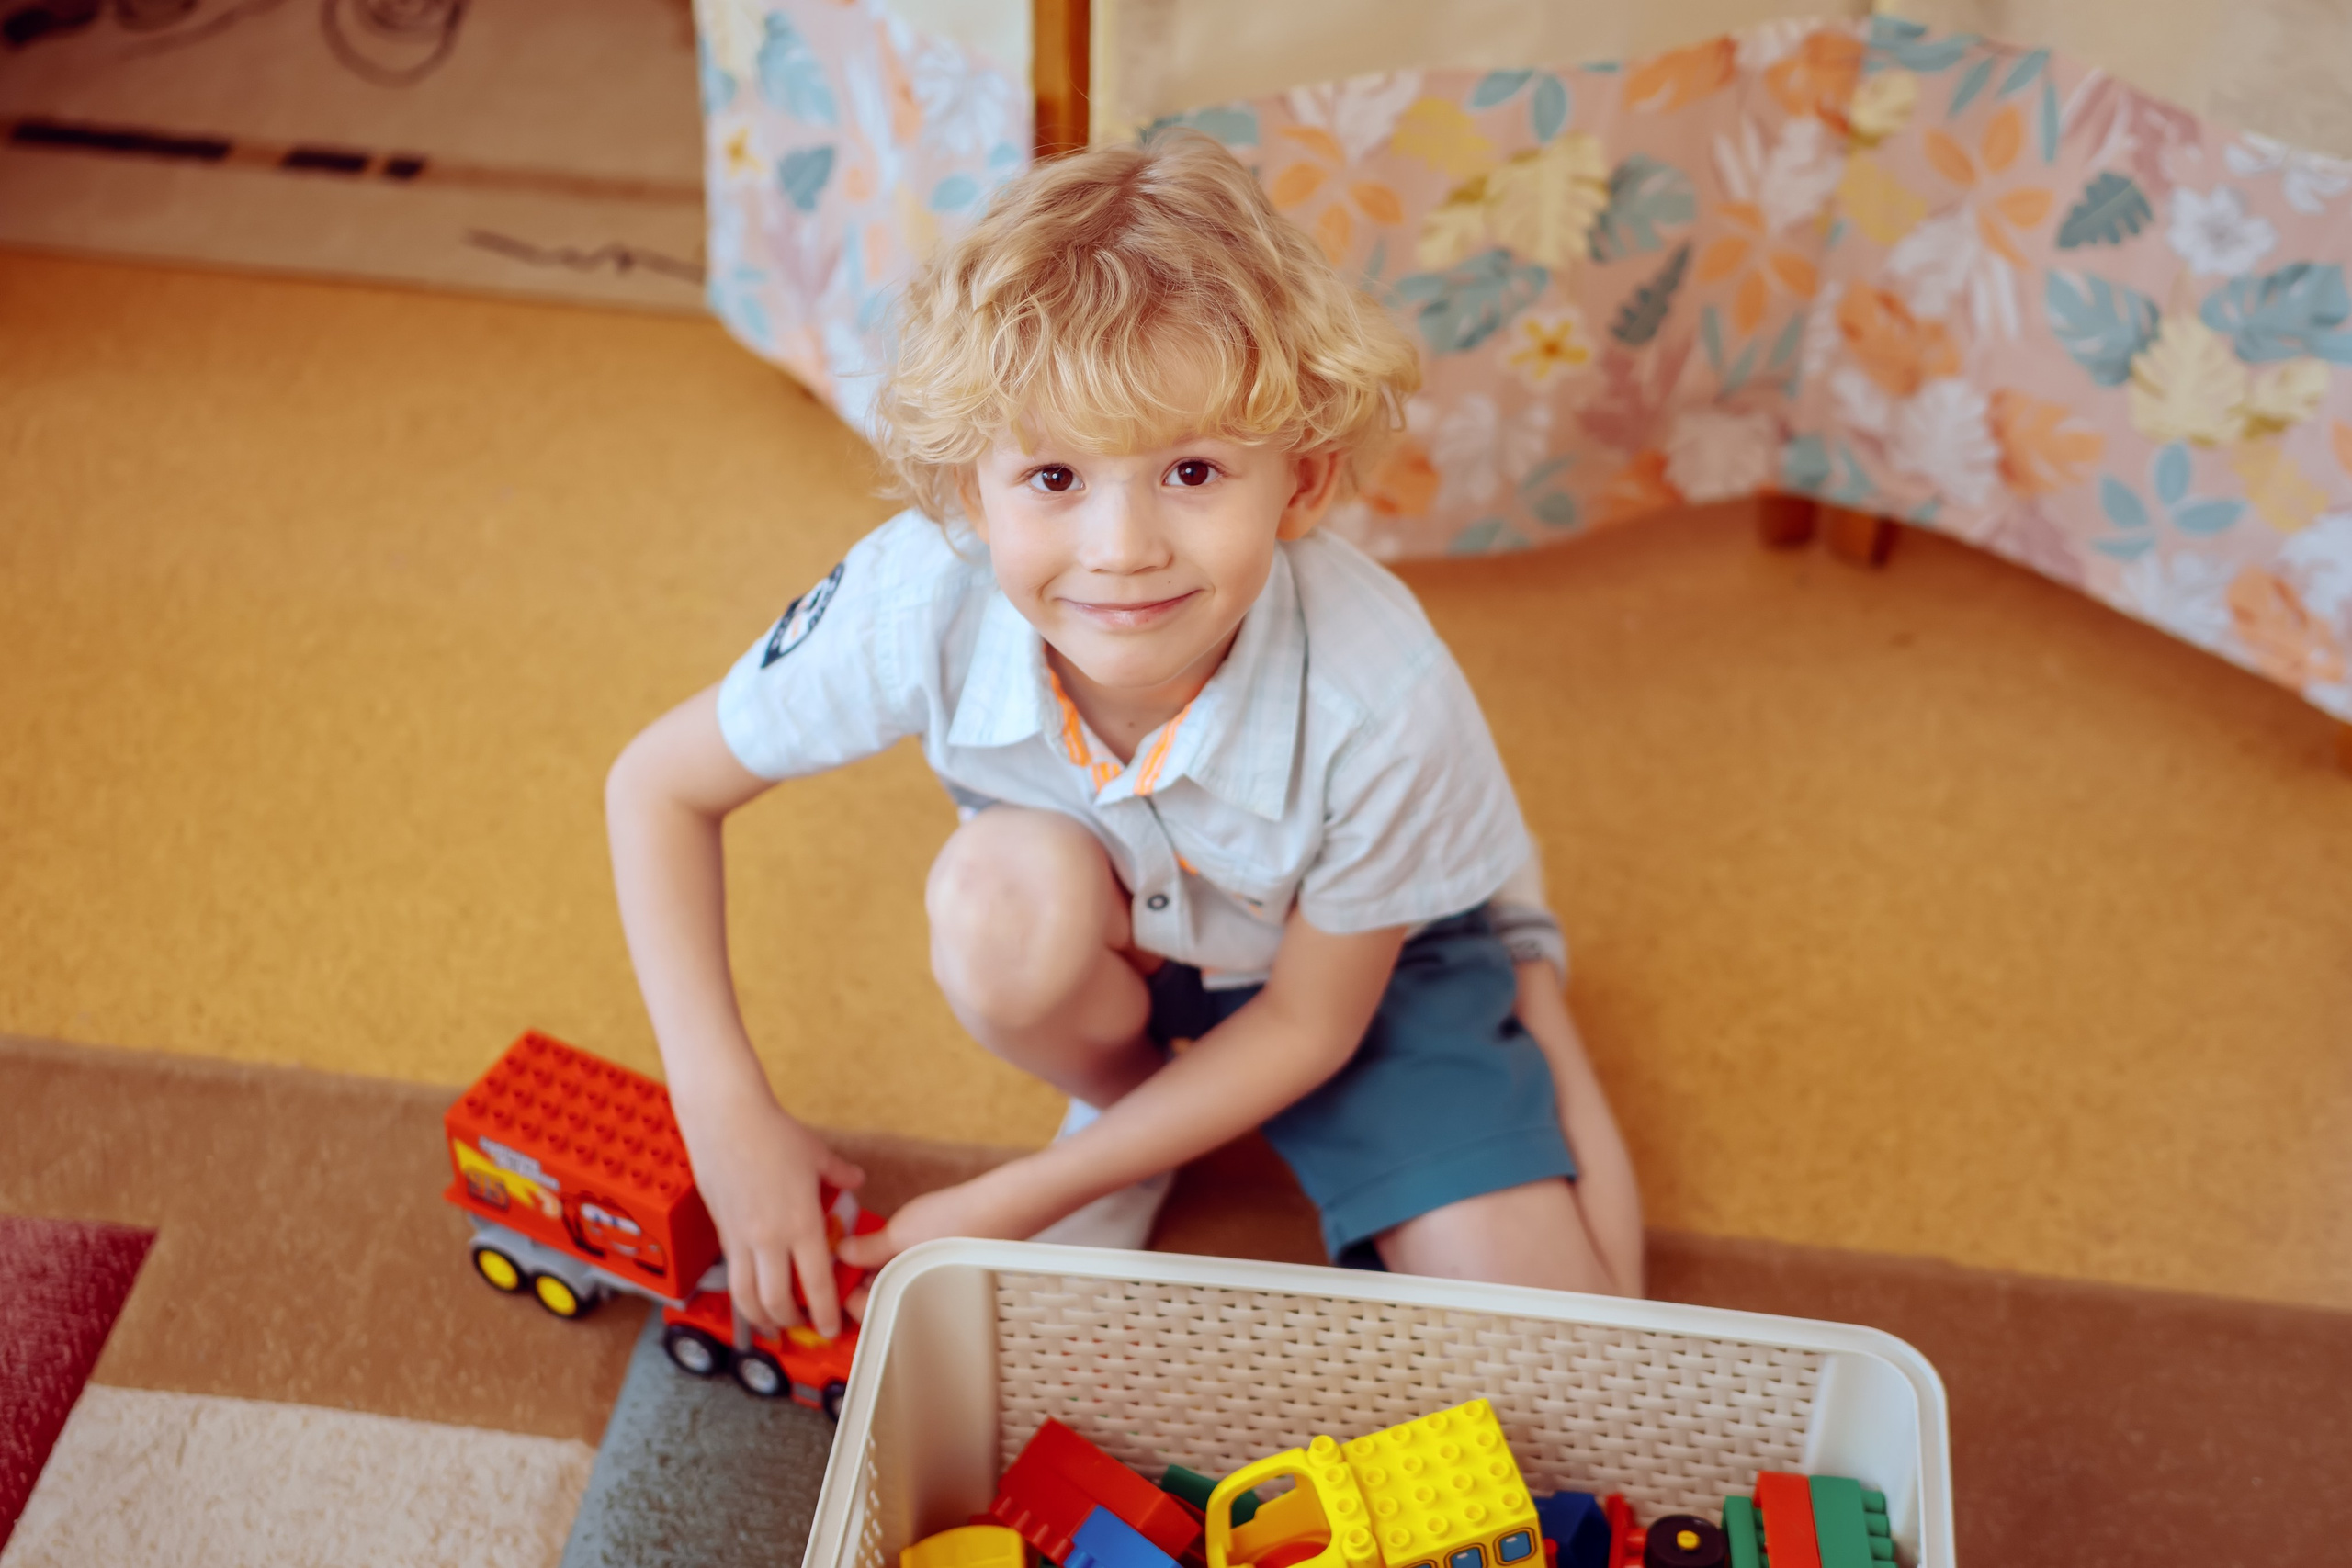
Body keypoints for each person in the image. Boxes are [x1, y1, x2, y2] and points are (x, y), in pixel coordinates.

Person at [604, 131, 1642, 1341]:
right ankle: (1132, 1110)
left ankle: (1522, 958)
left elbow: (1312, 1023)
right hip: (1123, 933)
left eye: (1193, 470)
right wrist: (723, 1113)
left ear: (1300, 483)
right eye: (1052, 478)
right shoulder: (914, 592)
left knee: (1575, 1347)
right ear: (966, 490)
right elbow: (657, 789)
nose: (1121, 549)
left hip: (1371, 966)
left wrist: (1015, 1197)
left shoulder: (1384, 694)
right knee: (997, 897)